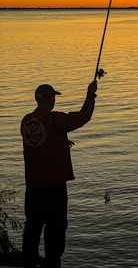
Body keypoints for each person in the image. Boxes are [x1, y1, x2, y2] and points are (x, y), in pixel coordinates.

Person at [20, 80, 98, 268]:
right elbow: (83, 117)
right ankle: (52, 265)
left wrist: (62, 141)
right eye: (53, 97)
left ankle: (29, 263)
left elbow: (43, 142)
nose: (54, 100)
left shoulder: (25, 121)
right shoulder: (56, 120)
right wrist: (90, 95)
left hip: (32, 188)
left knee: (32, 228)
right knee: (55, 230)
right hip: (54, 187)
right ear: (49, 100)